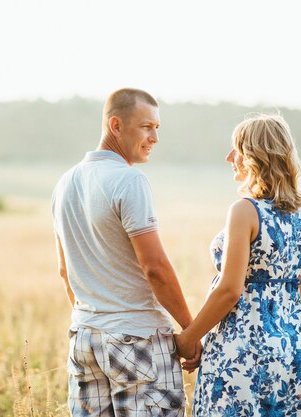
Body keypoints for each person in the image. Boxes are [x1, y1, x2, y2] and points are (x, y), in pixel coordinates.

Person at [52, 88, 197, 417]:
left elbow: (65, 271)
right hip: (138, 340)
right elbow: (155, 268)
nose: (155, 137)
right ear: (115, 125)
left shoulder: (64, 184)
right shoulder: (129, 181)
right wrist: (189, 330)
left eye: (157, 128)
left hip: (84, 339)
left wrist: (96, 319)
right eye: (147, 127)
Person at [176, 114, 301, 416]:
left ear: (256, 156)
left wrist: (189, 338)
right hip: (291, 348)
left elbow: (229, 290)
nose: (229, 158)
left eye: (236, 149)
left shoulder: (244, 211)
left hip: (240, 350)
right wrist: (276, 327)